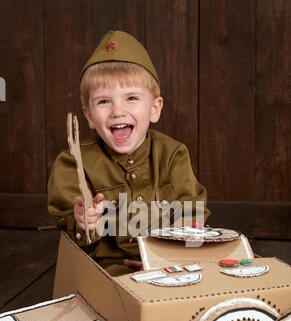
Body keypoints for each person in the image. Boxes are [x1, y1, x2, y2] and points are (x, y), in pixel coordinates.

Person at [48, 30, 210, 276]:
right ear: (89, 115)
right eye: (104, 101)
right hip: (105, 270)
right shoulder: (73, 162)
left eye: (131, 98)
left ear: (154, 109)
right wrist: (82, 222)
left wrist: (162, 259)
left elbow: (191, 213)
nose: (117, 111)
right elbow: (73, 236)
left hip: (168, 265)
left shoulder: (172, 155)